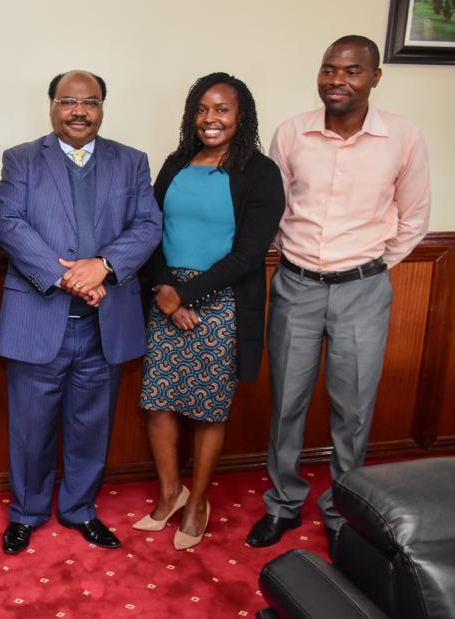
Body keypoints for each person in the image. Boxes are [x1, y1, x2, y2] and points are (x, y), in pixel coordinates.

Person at [246, 35, 430, 554]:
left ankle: (343, 508)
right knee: (286, 403)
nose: (337, 80)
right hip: (296, 286)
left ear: (375, 77)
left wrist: (371, 267)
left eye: (351, 70)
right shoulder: (291, 134)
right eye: (329, 69)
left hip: (363, 291)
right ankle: (283, 504)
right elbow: (272, 210)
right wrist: (296, 258)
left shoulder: (404, 137)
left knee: (353, 409)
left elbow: (414, 218)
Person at [0, 70, 162, 554]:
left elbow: (149, 224)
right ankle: (25, 513)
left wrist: (104, 267)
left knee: (92, 426)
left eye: (90, 102)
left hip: (102, 325)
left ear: (102, 108)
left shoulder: (131, 162)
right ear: (52, 106)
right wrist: (69, 275)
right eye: (68, 101)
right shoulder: (22, 159)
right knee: (31, 429)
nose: (79, 111)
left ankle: (79, 510)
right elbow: (8, 222)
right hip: (39, 319)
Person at [133, 73, 285, 550]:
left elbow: (248, 253)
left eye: (222, 109)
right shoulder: (176, 163)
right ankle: (170, 493)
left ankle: (198, 503)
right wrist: (163, 288)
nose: (210, 118)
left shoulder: (260, 173)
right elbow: (150, 228)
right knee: (157, 402)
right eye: (202, 108)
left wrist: (186, 295)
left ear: (242, 116)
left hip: (222, 302)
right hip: (166, 294)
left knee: (207, 409)